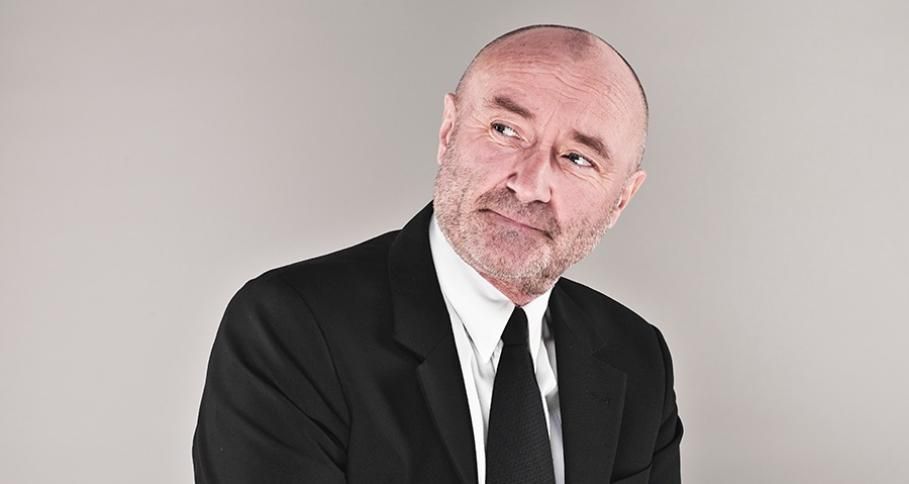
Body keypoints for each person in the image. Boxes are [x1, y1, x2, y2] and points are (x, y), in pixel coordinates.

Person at [193, 24, 683, 483]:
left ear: (621, 199)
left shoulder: (638, 356)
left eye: (578, 158)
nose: (531, 185)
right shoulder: (290, 326)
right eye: (505, 130)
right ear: (449, 131)